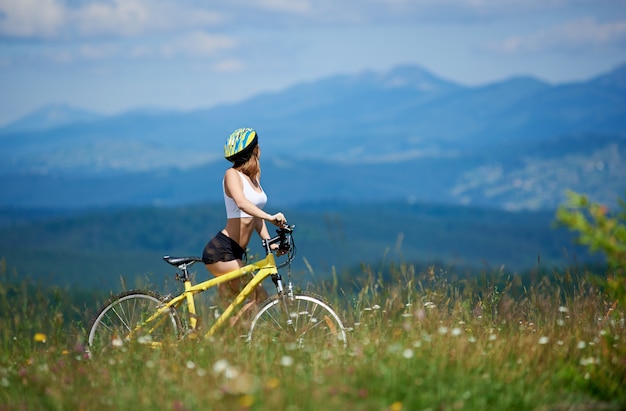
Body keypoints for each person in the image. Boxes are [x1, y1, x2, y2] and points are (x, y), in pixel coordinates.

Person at [203, 128, 287, 310]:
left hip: (236, 253)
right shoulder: (231, 175)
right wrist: (271, 218)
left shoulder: (253, 177)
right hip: (221, 251)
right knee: (257, 298)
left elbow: (255, 214)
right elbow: (241, 203)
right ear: (254, 150)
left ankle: (217, 338)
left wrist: (270, 242)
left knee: (241, 307)